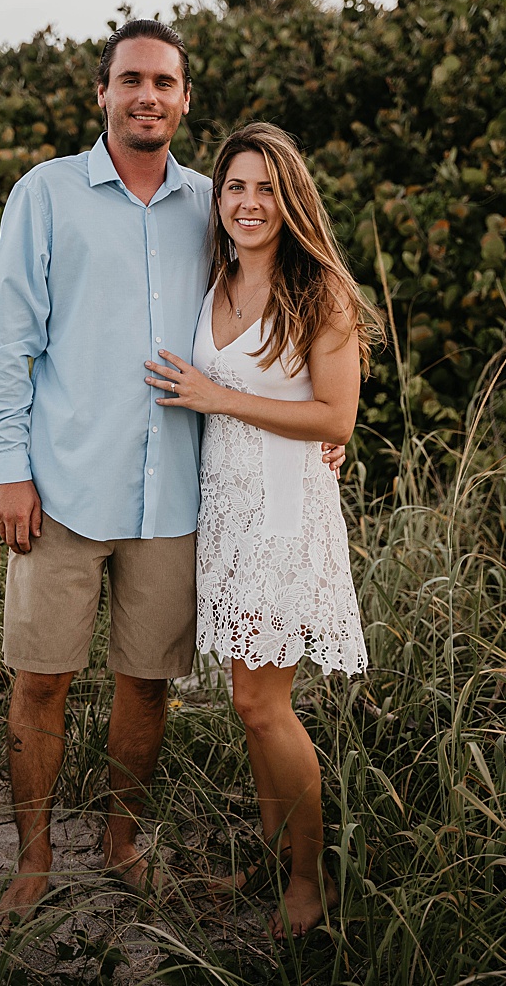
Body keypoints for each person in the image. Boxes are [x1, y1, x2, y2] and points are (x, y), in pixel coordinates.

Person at [0, 21, 342, 920]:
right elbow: (5, 342)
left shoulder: (214, 204)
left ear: (184, 99)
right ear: (102, 92)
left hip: (180, 496)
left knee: (147, 682)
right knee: (40, 677)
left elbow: (286, 321)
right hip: (62, 485)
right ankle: (32, 859)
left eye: (165, 83)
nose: (148, 95)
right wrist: (7, 465)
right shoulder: (46, 194)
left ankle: (121, 838)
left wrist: (326, 430)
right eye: (131, 79)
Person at [141, 121, 381, 937]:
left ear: (291, 200)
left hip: (284, 517)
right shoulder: (213, 282)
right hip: (226, 514)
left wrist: (220, 399)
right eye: (235, 187)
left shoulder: (321, 293)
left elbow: (336, 413)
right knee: (250, 706)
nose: (249, 203)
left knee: (263, 704)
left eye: (265, 189)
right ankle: (278, 855)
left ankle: (313, 880)